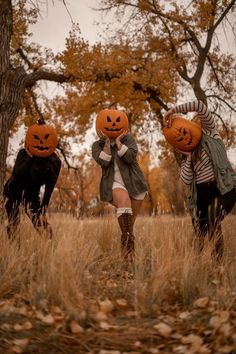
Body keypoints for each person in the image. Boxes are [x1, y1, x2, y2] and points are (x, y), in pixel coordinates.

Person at [163, 100, 236, 259]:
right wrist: (188, 158)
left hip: (223, 188)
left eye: (184, 131)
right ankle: (205, 263)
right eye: (179, 138)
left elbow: (199, 106)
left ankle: (217, 261)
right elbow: (186, 180)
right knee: (201, 229)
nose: (183, 136)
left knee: (212, 216)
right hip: (202, 194)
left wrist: (173, 111)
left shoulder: (210, 133)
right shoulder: (187, 157)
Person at [92, 110, 148, 261]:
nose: (113, 124)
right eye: (109, 121)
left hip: (134, 183)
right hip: (113, 183)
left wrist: (118, 143)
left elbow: (130, 157)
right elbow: (104, 161)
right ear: (99, 127)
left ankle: (127, 254)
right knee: (124, 201)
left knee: (129, 225)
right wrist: (107, 146)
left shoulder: (129, 140)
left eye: (117, 121)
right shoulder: (97, 146)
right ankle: (129, 253)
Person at [3, 146, 61, 240]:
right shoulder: (24, 153)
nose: (41, 144)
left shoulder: (54, 162)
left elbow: (49, 189)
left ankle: (51, 248)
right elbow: (16, 175)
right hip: (13, 192)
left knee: (40, 223)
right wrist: (30, 159)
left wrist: (43, 211)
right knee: (14, 223)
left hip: (31, 196)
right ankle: (14, 251)